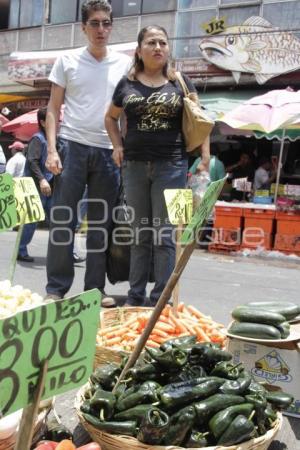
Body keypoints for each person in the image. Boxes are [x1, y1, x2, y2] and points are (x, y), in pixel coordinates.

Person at [105, 25, 210, 307]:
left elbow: (202, 120)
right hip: (134, 167)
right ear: (139, 50)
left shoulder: (181, 82)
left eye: (163, 42)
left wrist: (205, 158)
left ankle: (161, 300)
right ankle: (136, 297)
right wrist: (117, 145)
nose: (158, 47)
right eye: (151, 42)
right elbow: (110, 119)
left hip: (173, 167)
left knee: (165, 236)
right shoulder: (126, 84)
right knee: (140, 235)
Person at [44, 0, 132, 303]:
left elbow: (125, 113)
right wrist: (52, 150)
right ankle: (56, 287)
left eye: (106, 23)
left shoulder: (124, 64)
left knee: (100, 224)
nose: (101, 29)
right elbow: (53, 109)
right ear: (83, 27)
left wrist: (124, 148)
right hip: (72, 146)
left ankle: (95, 289)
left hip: (108, 151)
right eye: (94, 23)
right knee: (62, 219)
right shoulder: (66, 60)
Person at [18, 108, 85, 263]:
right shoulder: (38, 139)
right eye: (55, 120)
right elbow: (32, 161)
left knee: (61, 220)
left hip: (50, 189)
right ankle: (20, 250)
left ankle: (69, 253)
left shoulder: (54, 141)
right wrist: (41, 180)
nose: (59, 123)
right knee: (31, 221)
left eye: (59, 120)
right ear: (42, 122)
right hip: (34, 188)